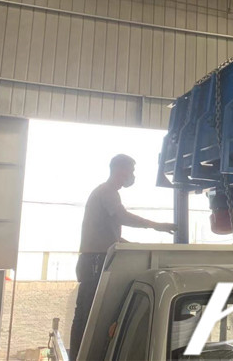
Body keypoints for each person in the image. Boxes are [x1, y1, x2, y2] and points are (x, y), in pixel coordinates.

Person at [69, 154, 176, 361]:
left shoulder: (105, 193)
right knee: (87, 315)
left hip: (94, 260)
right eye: (131, 171)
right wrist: (156, 226)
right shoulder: (107, 192)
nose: (132, 176)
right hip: (95, 262)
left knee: (87, 315)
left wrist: (135, 247)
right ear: (120, 169)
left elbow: (112, 237)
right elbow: (122, 217)